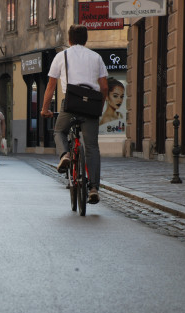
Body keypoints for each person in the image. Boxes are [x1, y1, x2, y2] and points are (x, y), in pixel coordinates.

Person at [41, 24, 108, 204]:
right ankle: (93, 188)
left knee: (59, 131)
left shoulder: (61, 56)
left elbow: (51, 86)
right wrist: (99, 107)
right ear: (86, 39)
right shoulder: (96, 57)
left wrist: (45, 109)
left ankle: (65, 155)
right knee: (92, 147)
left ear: (69, 39)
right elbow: (104, 87)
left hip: (71, 104)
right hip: (91, 106)